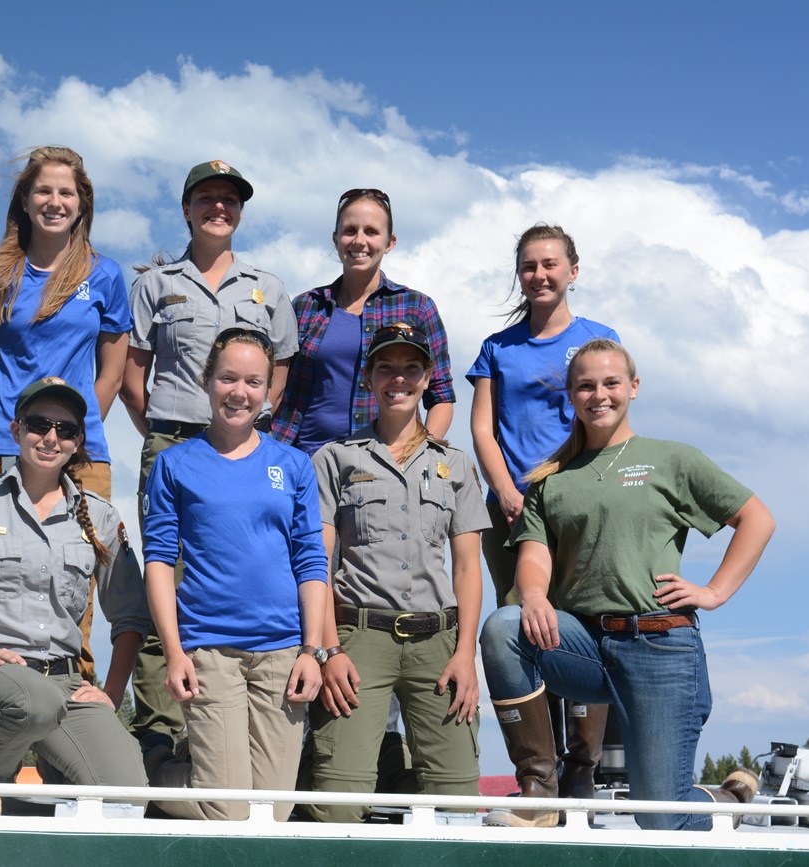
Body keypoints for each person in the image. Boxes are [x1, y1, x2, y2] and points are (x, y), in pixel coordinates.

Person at [478, 339, 774, 831]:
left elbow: (756, 519)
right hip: (586, 648)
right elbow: (534, 558)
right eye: (586, 386)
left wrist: (714, 592)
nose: (600, 395)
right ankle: (539, 792)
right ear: (570, 397)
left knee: (659, 818)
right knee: (504, 628)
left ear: (633, 388)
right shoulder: (551, 481)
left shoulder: (671, 459)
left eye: (611, 383)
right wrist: (532, 595)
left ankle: (729, 795)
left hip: (660, 647)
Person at [121, 160, 299, 751]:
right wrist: (168, 435)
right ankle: (159, 728)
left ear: (241, 211)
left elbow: (280, 371)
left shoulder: (268, 288)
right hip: (175, 438)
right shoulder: (154, 284)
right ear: (186, 209)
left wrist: (252, 426)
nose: (218, 208)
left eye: (230, 199)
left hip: (249, 449)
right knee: (164, 576)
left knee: (245, 572)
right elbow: (133, 371)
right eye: (206, 199)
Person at [0, 378, 147, 794]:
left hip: (65, 686)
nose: (51, 437)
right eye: (39, 424)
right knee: (31, 701)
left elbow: (130, 617)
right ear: (16, 430)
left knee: (126, 791)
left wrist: (111, 692)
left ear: (78, 441)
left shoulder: (102, 518)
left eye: (66, 429)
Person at [0, 145, 131, 687]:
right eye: (44, 191)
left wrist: (69, 436)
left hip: (80, 453)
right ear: (25, 202)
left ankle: (72, 695)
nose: (55, 202)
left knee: (74, 582)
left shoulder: (104, 276)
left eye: (66, 193)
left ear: (83, 205)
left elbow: (112, 371)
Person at [304, 324, 489, 822]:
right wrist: (328, 650)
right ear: (368, 378)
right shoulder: (334, 459)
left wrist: (466, 655)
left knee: (457, 803)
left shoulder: (456, 465)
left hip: (438, 644)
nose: (398, 379)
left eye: (411, 368)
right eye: (386, 368)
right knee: (339, 802)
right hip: (359, 640)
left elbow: (469, 567)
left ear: (428, 378)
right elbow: (318, 562)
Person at [142, 328, 327, 821]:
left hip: (282, 654)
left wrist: (312, 651)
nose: (239, 392)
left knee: (272, 813)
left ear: (269, 392)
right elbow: (158, 560)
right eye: (227, 378)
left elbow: (311, 560)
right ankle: (153, 771)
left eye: (253, 381)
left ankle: (202, 767)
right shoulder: (173, 463)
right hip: (209, 651)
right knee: (231, 812)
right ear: (207, 381)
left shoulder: (293, 464)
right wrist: (175, 651)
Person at [467, 223, 620, 799]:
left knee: (576, 629)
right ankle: (540, 776)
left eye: (551, 264)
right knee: (518, 633)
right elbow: (483, 427)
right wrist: (505, 490)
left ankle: (583, 766)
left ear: (572, 271)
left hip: (577, 508)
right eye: (529, 266)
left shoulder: (598, 338)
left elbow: (607, 418)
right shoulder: (496, 349)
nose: (540, 275)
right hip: (511, 512)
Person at [273, 189, 455, 453]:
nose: (359, 240)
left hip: (386, 465)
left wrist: (416, 455)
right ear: (335, 239)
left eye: (371, 231)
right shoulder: (306, 306)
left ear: (390, 242)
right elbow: (276, 390)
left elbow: (441, 396)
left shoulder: (417, 307)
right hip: (303, 461)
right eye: (349, 230)